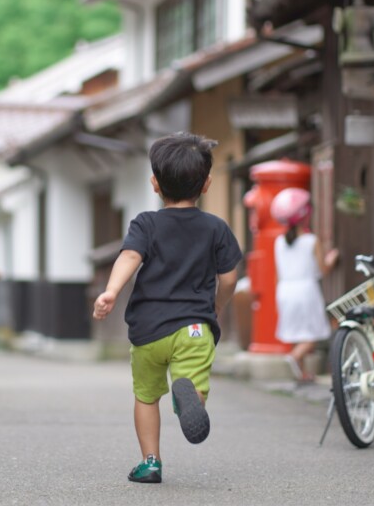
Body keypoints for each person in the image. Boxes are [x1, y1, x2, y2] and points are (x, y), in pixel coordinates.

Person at [92, 132, 242, 484]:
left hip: (149, 330)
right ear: (206, 184)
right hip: (194, 329)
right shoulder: (215, 228)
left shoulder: (146, 223)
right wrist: (216, 307)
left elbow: (130, 255)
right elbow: (231, 278)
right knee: (193, 383)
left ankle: (151, 462)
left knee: (145, 396)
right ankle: (187, 399)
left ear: (155, 184)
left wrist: (111, 291)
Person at [270, 187, 338, 383]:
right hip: (306, 290)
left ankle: (303, 375)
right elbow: (323, 269)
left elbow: (277, 273)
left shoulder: (279, 242)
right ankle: (294, 357)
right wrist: (332, 259)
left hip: (284, 290)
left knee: (295, 334)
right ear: (304, 215)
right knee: (313, 334)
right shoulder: (311, 240)